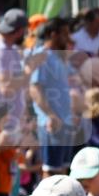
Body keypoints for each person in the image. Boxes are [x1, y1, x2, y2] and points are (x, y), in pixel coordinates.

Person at [29, 17, 74, 176]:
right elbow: (34, 88)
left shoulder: (58, 56)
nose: (69, 38)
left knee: (62, 171)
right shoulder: (41, 56)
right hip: (51, 124)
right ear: (54, 34)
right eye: (65, 34)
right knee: (51, 172)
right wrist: (50, 115)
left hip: (64, 121)